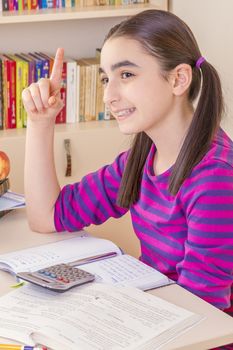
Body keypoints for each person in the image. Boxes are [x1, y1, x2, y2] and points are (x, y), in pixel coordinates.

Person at [22, 9, 233, 322]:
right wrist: (40, 123)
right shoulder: (143, 156)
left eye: (127, 75)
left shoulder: (214, 177)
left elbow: (201, 312)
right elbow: (48, 215)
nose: (109, 95)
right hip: (154, 317)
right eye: (107, 78)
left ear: (179, 79)